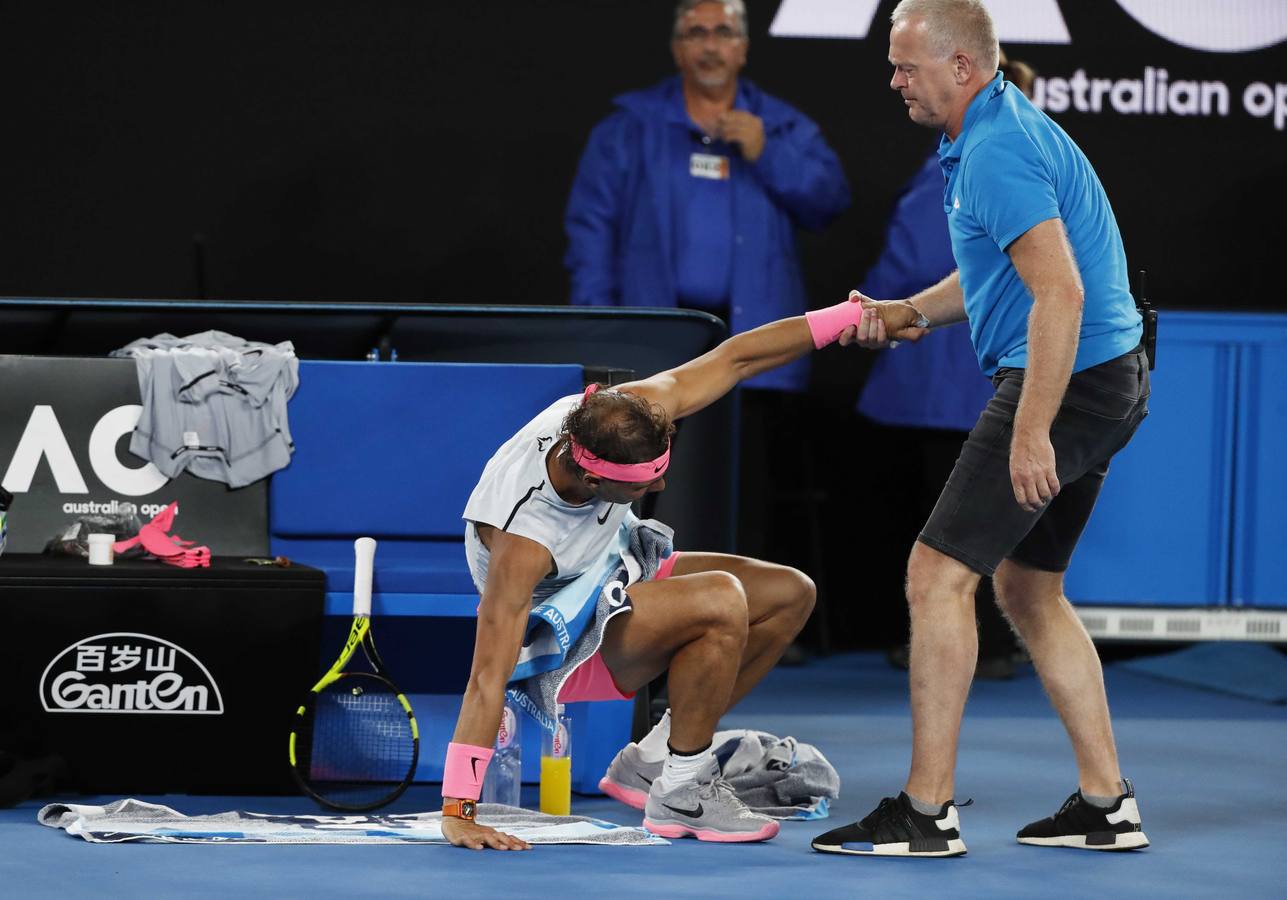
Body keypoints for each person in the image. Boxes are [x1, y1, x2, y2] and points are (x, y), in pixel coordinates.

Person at [812, 0, 1151, 857]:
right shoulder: (988, 132)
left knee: (936, 574)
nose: (892, 81)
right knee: (1027, 589)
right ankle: (1106, 805)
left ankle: (924, 814)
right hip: (1107, 377)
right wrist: (905, 312)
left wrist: (1032, 427)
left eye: (905, 66)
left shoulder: (996, 148)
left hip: (1070, 381)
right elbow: (998, 278)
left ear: (961, 67)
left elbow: (1059, 295)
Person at [439, 310, 863, 850]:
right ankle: (683, 792)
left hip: (612, 571)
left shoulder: (610, 417)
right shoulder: (523, 540)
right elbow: (485, 679)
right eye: (645, 484)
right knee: (720, 600)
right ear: (591, 476)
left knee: (789, 593)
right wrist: (459, 809)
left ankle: (657, 758)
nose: (661, 481)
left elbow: (734, 357)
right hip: (563, 644)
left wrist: (850, 315)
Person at [856, 52, 1036, 680]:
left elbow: (909, 265)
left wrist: (879, 315)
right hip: (998, 372)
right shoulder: (1031, 163)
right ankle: (995, 642)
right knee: (997, 512)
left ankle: (964, 646)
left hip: (949, 377)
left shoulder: (965, 170)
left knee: (948, 521)